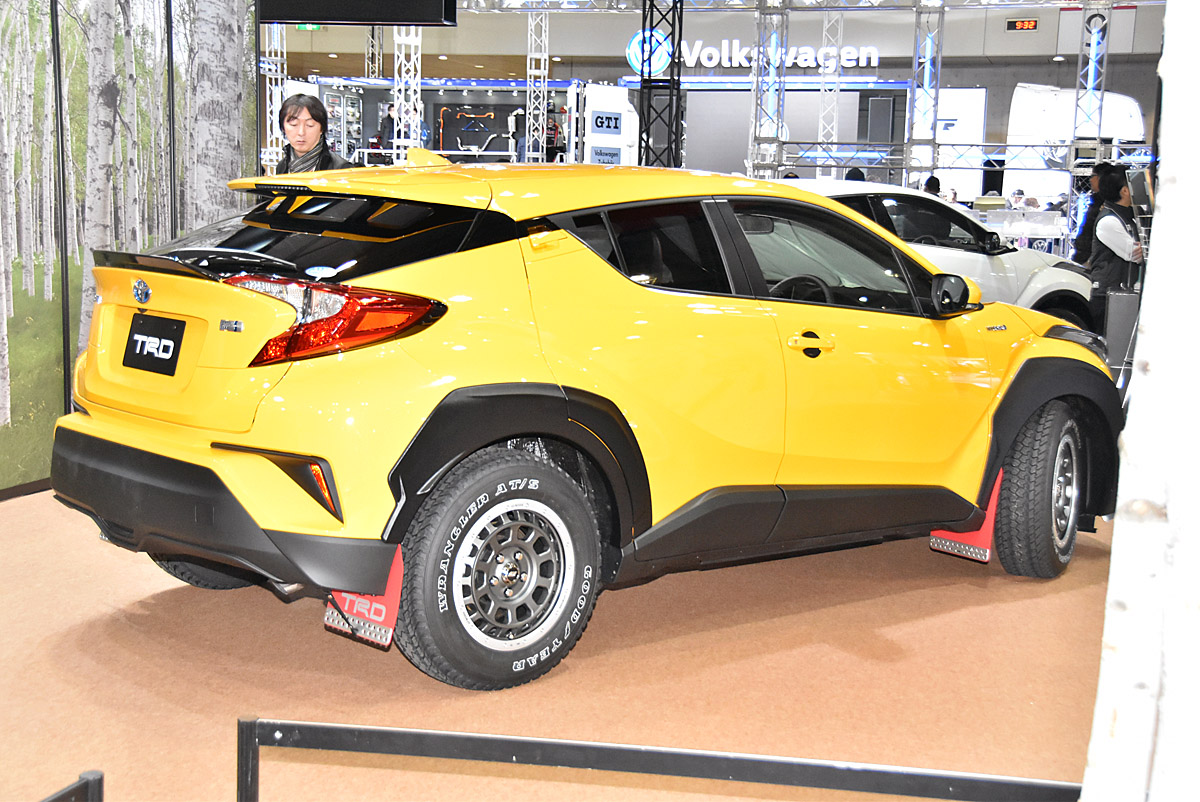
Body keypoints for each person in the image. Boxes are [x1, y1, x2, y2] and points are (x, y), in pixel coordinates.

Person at [1088, 168, 1145, 334]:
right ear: (1125, 191)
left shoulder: (1130, 215)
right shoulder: (1108, 220)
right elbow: (1134, 254)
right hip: (1107, 296)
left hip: (1124, 292)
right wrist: (1143, 248)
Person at [275, 94, 352, 174]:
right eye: (294, 124)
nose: (301, 132)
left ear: (321, 129)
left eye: (310, 125)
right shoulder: (282, 166)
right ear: (283, 127)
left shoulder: (341, 169)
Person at [1071, 161, 1113, 264]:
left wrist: (1089, 259)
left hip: (1091, 259)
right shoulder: (1096, 201)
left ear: (1101, 178)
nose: (1090, 180)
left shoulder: (1105, 204)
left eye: (1093, 176)